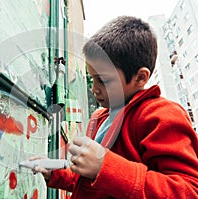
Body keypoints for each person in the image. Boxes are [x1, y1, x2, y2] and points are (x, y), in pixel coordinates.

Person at [32, 16, 198, 198]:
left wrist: (105, 166)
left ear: (140, 77)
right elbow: (92, 183)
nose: (94, 88)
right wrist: (55, 172)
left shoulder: (160, 116)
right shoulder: (101, 118)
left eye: (103, 80)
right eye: (92, 78)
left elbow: (188, 191)